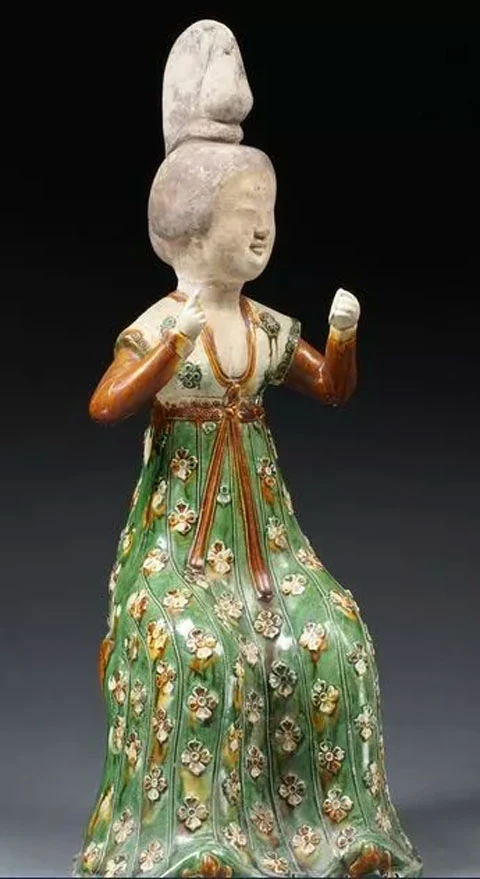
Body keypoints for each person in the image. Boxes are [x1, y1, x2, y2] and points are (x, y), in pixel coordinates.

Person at [73, 20, 422, 879]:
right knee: (199, 645)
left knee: (329, 632)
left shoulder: (262, 325)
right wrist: (166, 352)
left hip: (266, 539)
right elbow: (105, 403)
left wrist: (343, 334)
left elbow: (329, 387)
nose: (262, 233)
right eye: (242, 218)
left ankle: (334, 829)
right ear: (188, 230)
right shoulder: (167, 323)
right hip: (180, 542)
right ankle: (192, 837)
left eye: (267, 216)